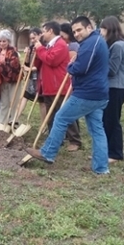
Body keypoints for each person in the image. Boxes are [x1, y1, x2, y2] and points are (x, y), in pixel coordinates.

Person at [24, 16, 110, 175]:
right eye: (74, 31)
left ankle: (48, 153)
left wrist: (71, 67)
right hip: (99, 94)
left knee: (61, 118)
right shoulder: (96, 41)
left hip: (87, 93)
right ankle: (101, 168)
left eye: (80, 30)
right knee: (97, 130)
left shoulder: (91, 43)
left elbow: (80, 68)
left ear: (89, 28)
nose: (76, 34)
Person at [34, 21, 82, 152]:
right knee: (51, 115)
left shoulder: (61, 44)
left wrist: (40, 49)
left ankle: (75, 140)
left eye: (44, 31)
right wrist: (36, 51)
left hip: (59, 86)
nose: (42, 34)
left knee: (65, 114)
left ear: (50, 31)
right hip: (49, 86)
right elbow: (40, 62)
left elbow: (51, 60)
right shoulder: (48, 45)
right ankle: (55, 139)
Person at [99, 16, 124, 163]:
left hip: (116, 87)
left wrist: (97, 63)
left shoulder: (118, 45)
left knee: (112, 120)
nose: (101, 31)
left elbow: (112, 70)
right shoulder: (113, 45)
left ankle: (115, 154)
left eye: (103, 28)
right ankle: (106, 152)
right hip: (113, 87)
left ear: (110, 29)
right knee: (107, 119)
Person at [14, 28, 46, 125]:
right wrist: (27, 56)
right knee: (25, 96)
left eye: (34, 37)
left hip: (41, 78)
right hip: (31, 77)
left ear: (40, 35)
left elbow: (43, 64)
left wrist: (30, 69)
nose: (32, 40)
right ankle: (15, 120)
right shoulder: (31, 47)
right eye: (31, 38)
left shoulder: (44, 46)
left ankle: (43, 124)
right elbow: (27, 63)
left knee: (41, 101)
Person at [0, 30, 21, 129]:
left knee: (14, 101)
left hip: (13, 80)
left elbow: (13, 66)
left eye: (4, 41)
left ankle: (14, 122)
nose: (2, 43)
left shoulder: (13, 52)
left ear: (8, 41)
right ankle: (2, 123)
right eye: (1, 41)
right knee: (4, 102)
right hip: (2, 80)